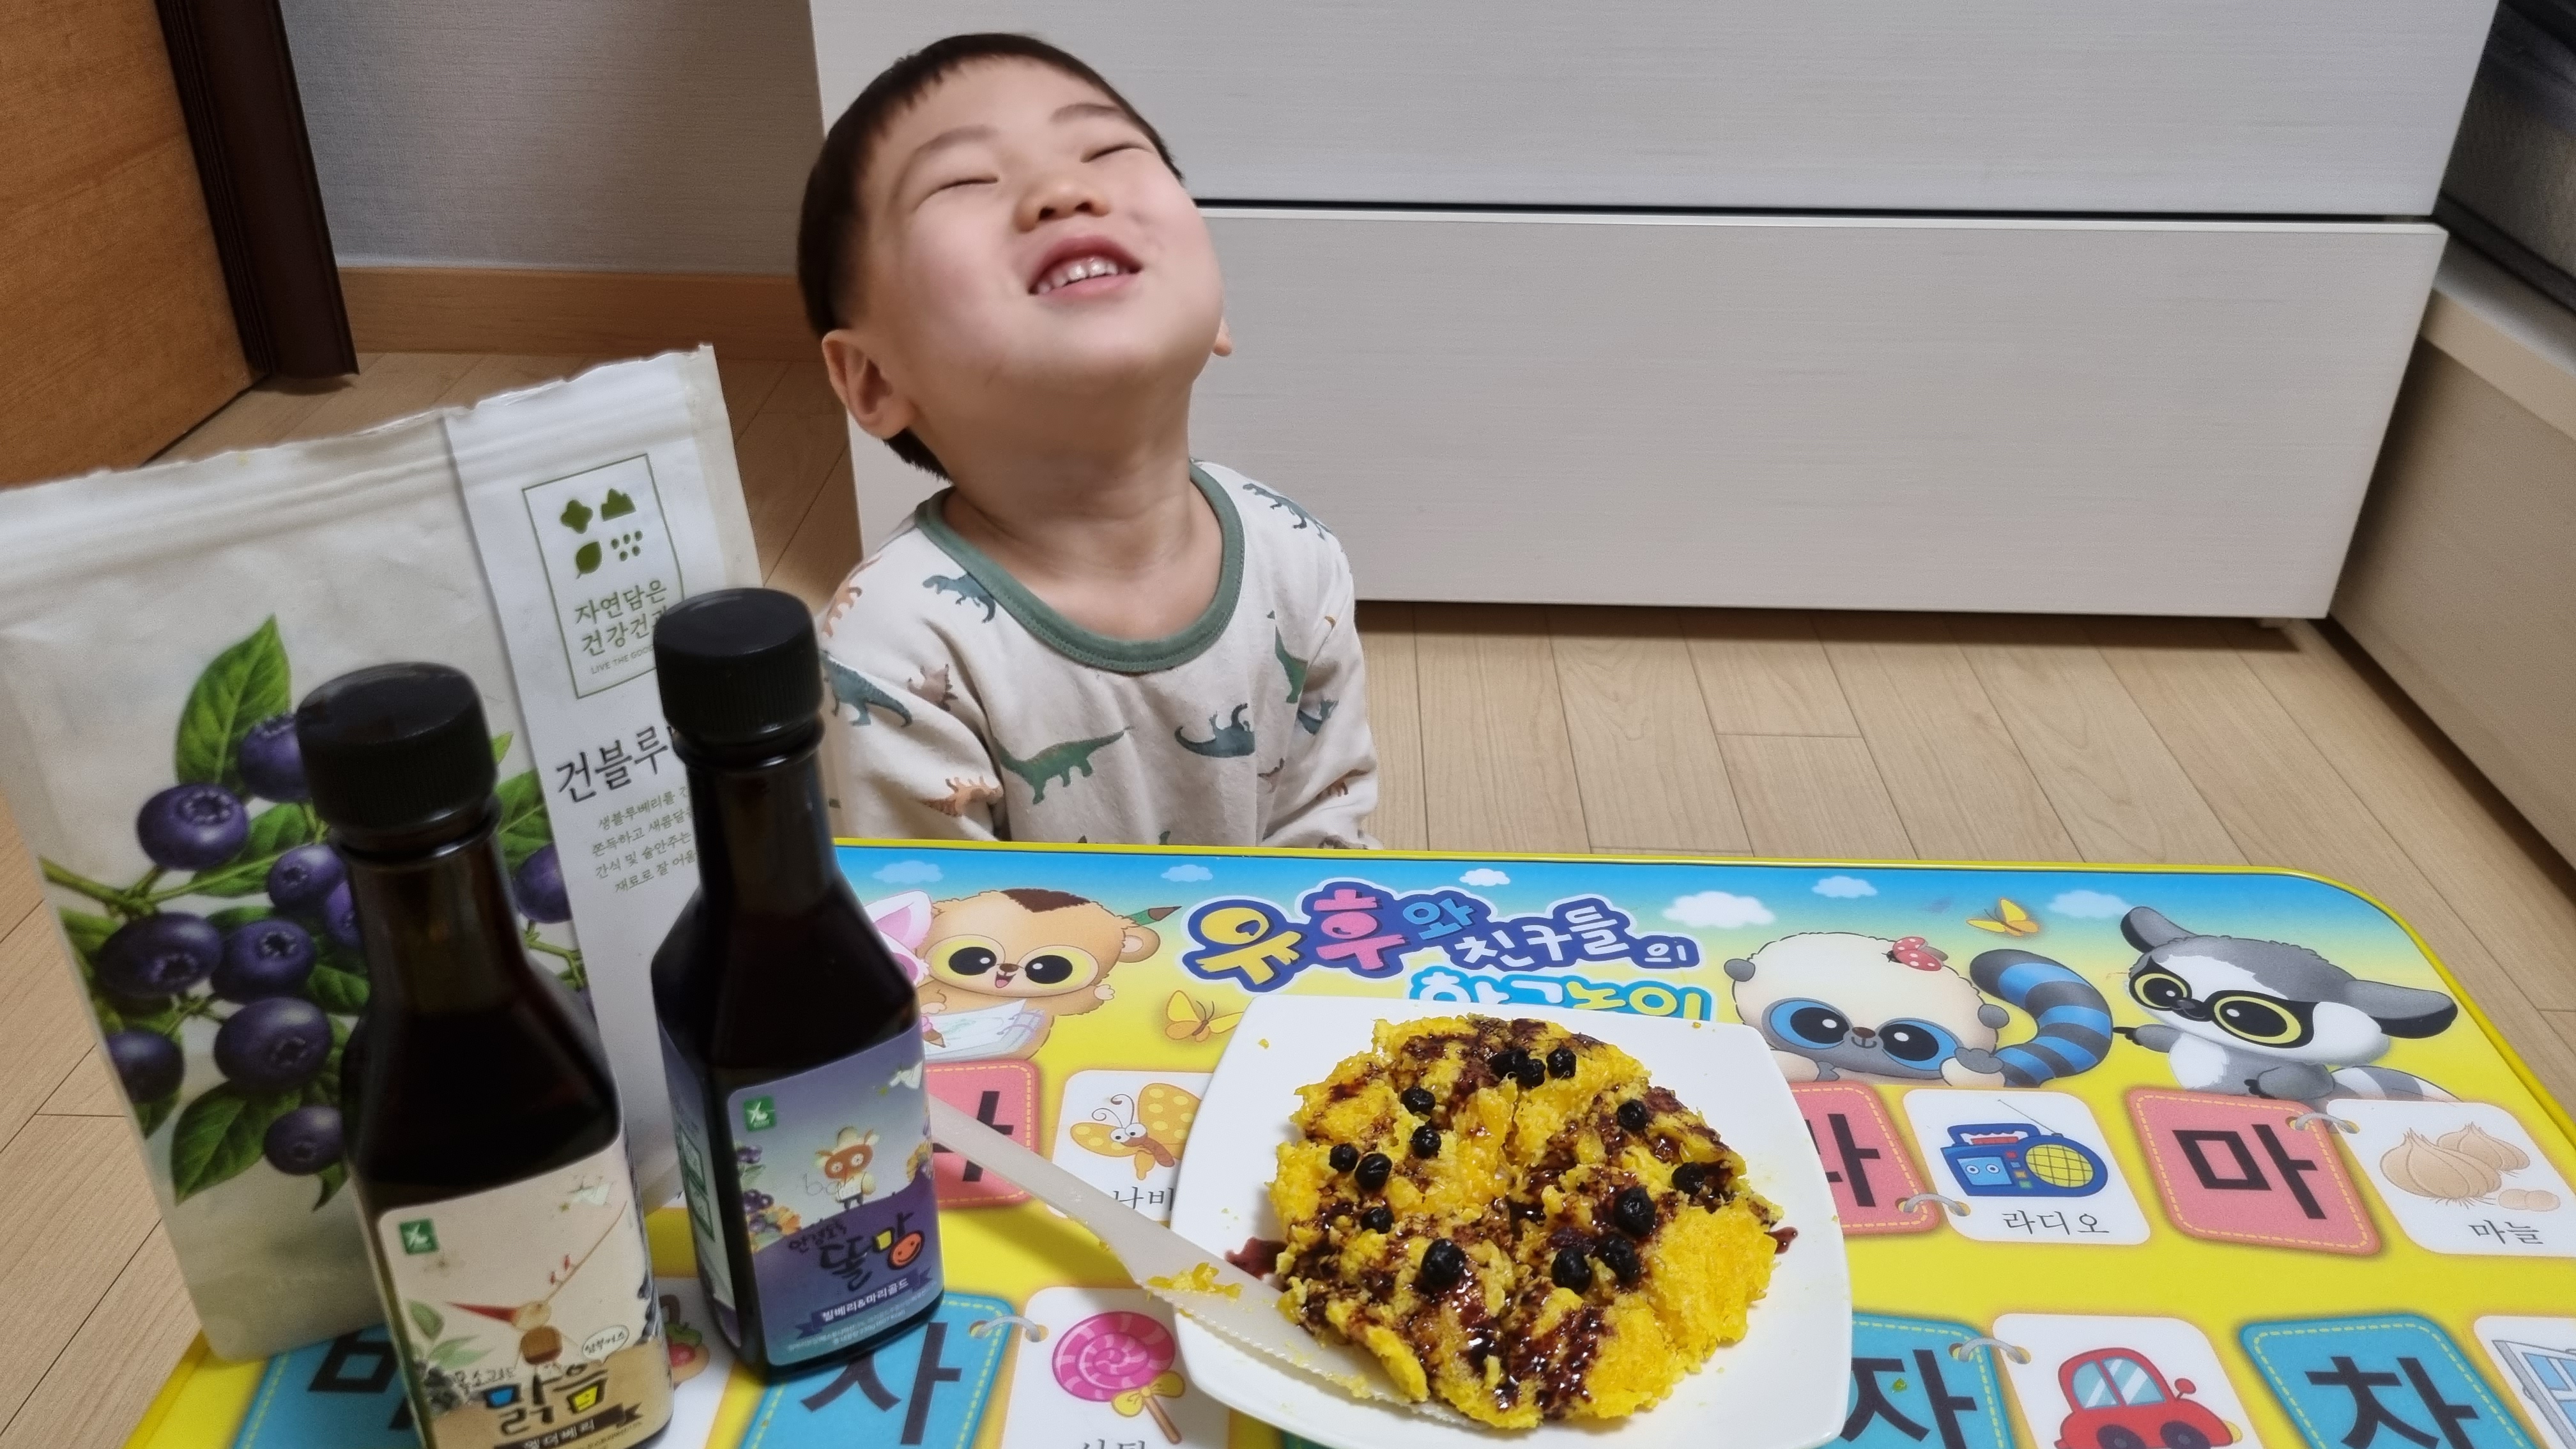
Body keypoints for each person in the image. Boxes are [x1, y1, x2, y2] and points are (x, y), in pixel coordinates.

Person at [796, 33, 1377, 848]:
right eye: (963, 181)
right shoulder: (889, 652)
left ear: (1216, 306)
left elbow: (1327, 837)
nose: (1063, 190)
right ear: (874, 379)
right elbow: (930, 918)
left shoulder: (1298, 554)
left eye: (1107, 150)